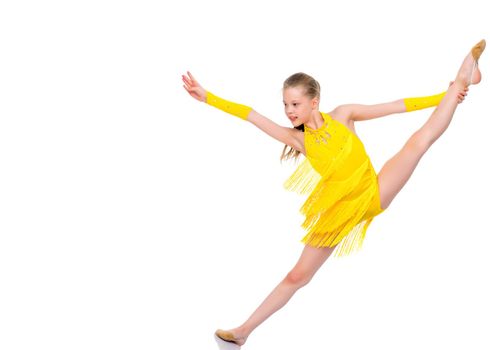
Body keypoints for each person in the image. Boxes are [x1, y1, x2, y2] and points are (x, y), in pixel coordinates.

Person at [182, 40, 485, 349]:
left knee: (419, 142)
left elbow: (398, 105)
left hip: (373, 193)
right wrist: (208, 98)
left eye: (295, 104)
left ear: (314, 102)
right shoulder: (298, 140)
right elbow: (251, 115)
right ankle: (243, 332)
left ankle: (463, 81)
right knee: (297, 277)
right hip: (337, 213)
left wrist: (446, 95)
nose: (289, 111)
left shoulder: (344, 115)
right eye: (285, 105)